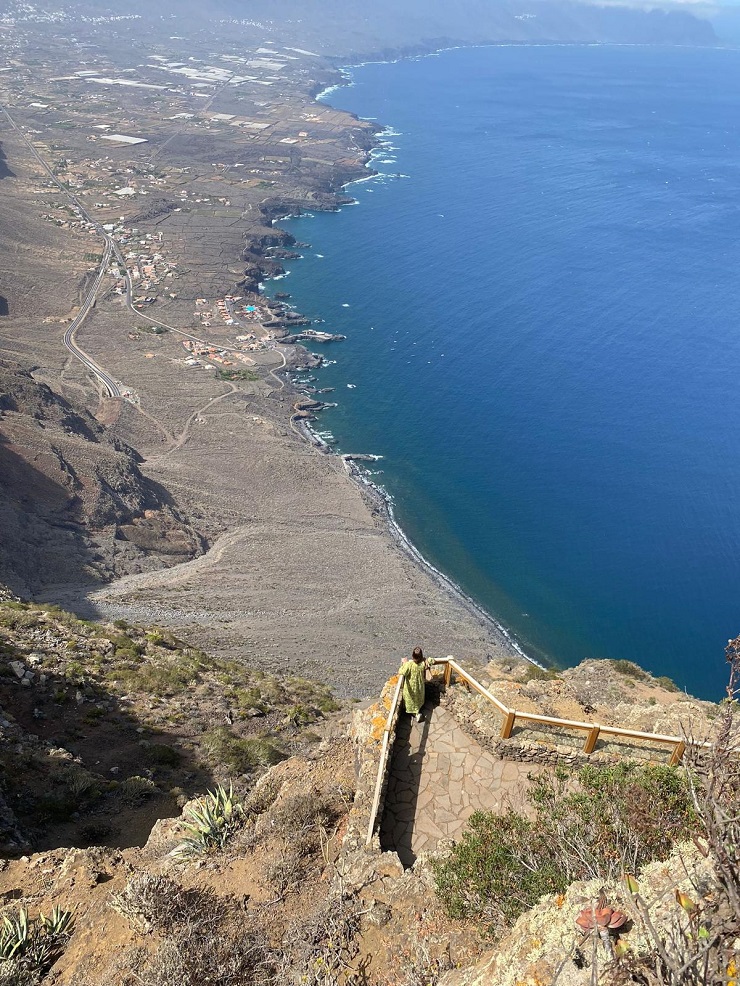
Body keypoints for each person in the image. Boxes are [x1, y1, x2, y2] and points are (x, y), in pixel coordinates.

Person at [398, 646, 436, 722]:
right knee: (418, 699)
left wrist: (404, 663)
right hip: (419, 687)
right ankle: (417, 711)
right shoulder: (423, 663)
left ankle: (415, 713)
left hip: (410, 688)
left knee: (411, 700)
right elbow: (432, 661)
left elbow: (402, 672)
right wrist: (427, 659)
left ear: (412, 656)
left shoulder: (409, 665)